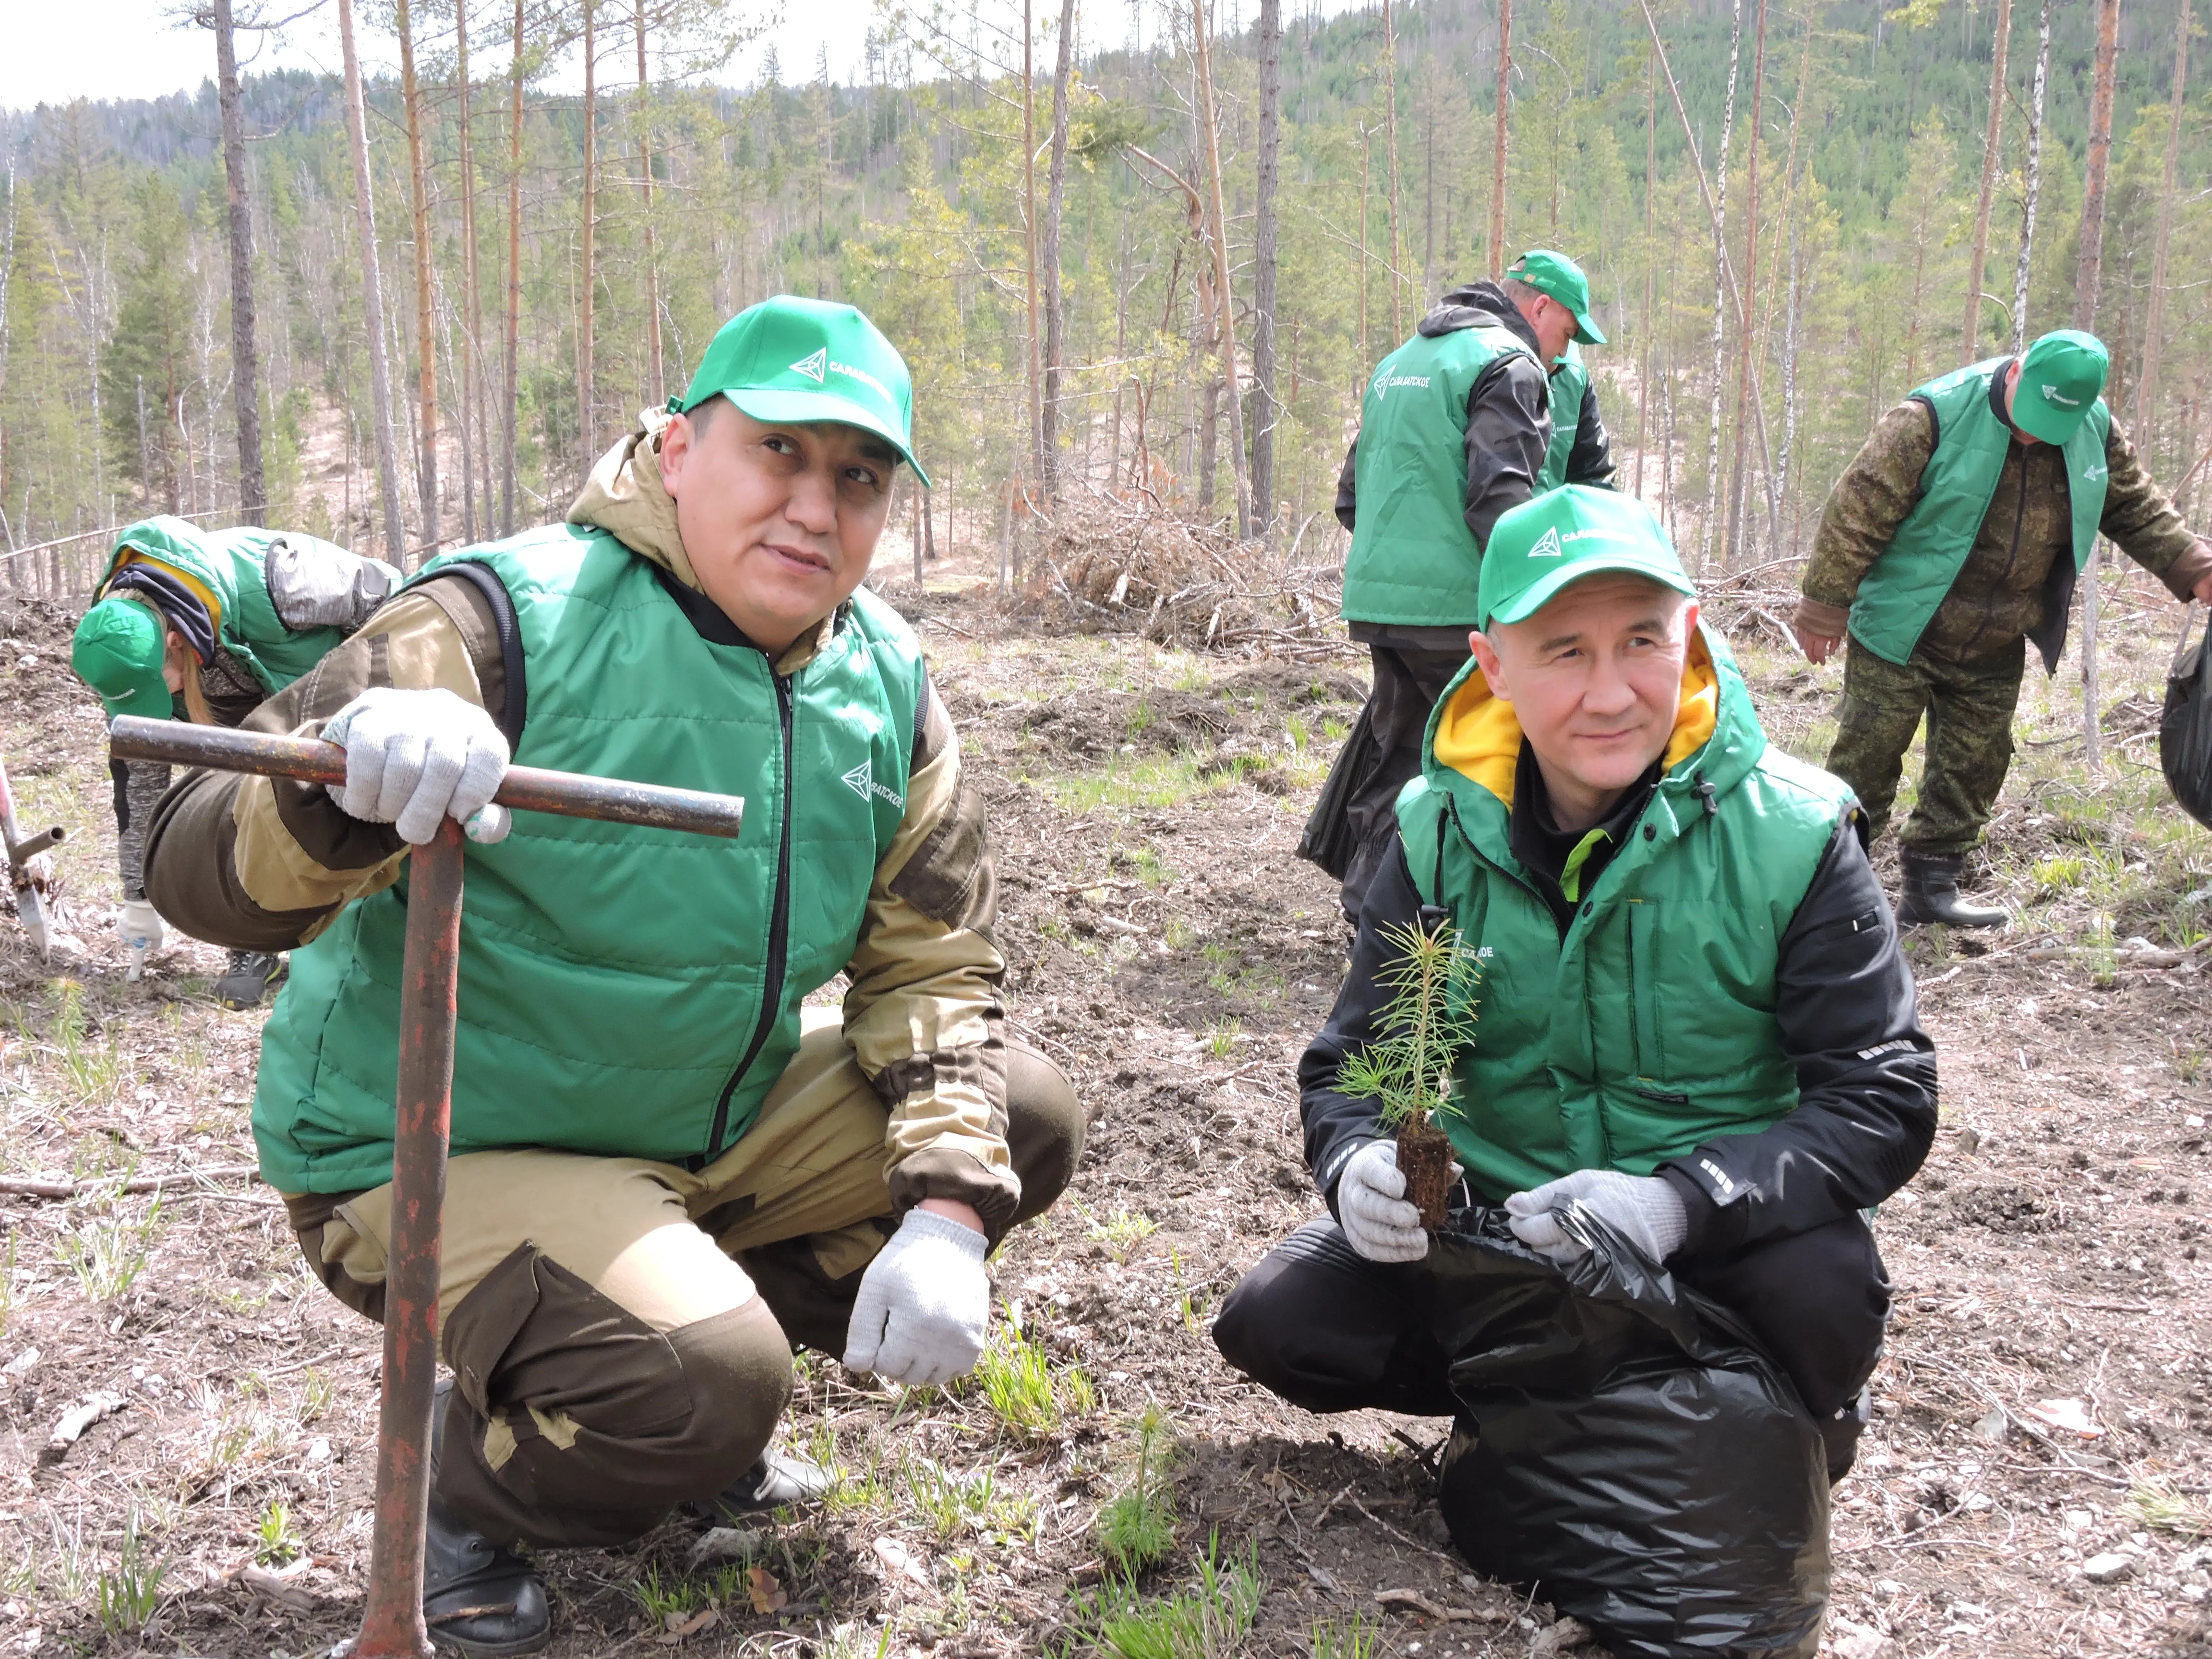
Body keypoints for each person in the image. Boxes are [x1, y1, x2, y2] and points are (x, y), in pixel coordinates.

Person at [143, 296, 1083, 1655]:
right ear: (681, 446)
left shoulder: (885, 684)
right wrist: (347, 771)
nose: (816, 509)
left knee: (1022, 1120)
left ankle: (659, 1363)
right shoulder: (501, 618)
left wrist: (943, 1213)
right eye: (781, 453)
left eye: (858, 477)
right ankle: (465, 1500)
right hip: (432, 1148)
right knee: (701, 1378)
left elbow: (933, 963)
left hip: (692, 1136)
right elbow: (188, 867)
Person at [1219, 484, 1936, 1493]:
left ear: (1689, 636)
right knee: (1283, 1319)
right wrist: (1359, 1164)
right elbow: (1353, 1063)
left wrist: (1674, 1205)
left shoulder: (1796, 834)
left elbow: (1883, 1098)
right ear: (1493, 667)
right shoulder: (1434, 832)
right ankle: (1538, 1399)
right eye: (1565, 651)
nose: (1611, 693)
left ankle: (1765, 1422)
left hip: (1708, 1241)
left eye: (1642, 641)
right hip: (1501, 1233)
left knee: (1821, 1286)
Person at [1792, 328, 2212, 926]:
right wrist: (1823, 607)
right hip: (1902, 626)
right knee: (1866, 759)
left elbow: (2134, 506)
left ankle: (1931, 892)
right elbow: (1857, 508)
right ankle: (1827, 900)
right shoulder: (1929, 419)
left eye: (2052, 424)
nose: (2034, 433)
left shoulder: (2092, 430)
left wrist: (2195, 568)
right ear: (2015, 371)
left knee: (1975, 763)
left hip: (1998, 632)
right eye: (2031, 414)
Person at [1322, 249, 1613, 926]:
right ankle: (1484, 923)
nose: (1563, 354)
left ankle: (1373, 921)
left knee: (1398, 762)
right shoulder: (1510, 364)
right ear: (1539, 308)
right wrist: (1545, 599)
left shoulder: (1403, 362)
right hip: (1457, 612)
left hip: (1381, 605)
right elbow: (1501, 501)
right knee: (1497, 765)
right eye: (1568, 333)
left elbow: (1349, 498)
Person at [69, 517, 399, 1005]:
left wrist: (385, 704)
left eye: (160, 688)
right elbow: (140, 777)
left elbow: (399, 601)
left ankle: (374, 926)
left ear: (177, 643)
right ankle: (253, 945)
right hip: (254, 728)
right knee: (232, 799)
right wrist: (137, 896)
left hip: (351, 703)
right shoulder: (119, 646)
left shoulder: (281, 581)